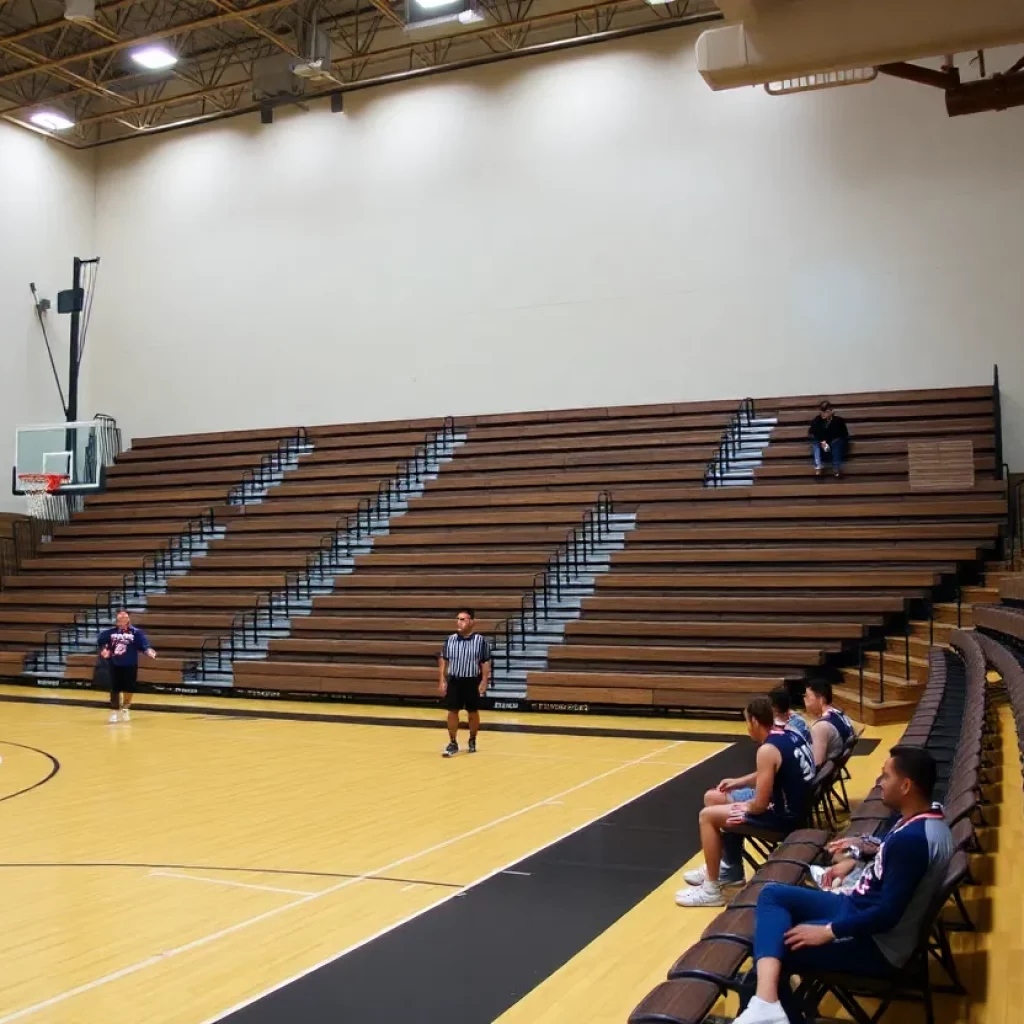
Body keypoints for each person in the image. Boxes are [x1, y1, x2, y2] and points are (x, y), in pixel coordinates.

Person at [732, 746, 953, 1024]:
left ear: (906, 785)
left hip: (877, 945)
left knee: (775, 953)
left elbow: (887, 915)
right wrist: (856, 856)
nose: (879, 782)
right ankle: (767, 1004)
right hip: (857, 906)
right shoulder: (929, 821)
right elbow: (889, 853)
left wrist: (829, 931)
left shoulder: (913, 842)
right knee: (774, 896)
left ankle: (767, 1006)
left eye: (886, 776)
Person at [677, 697, 816, 906]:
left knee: (707, 816)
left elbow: (759, 805)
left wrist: (745, 806)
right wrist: (738, 783)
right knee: (720, 804)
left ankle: (711, 891)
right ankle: (730, 869)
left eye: (746, 722)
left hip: (785, 820)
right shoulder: (788, 734)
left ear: (754, 721)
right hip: (799, 811)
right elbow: (771, 770)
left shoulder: (767, 749)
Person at [439, 608, 491, 758]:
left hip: (471, 680)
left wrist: (484, 680)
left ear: (471, 622)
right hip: (455, 680)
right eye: (458, 619)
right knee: (452, 711)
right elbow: (445, 661)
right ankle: (453, 741)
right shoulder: (450, 640)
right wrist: (442, 679)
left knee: (473, 712)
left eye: (463, 619)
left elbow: (485, 662)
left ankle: (472, 739)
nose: (459, 622)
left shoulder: (480, 640)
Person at [97, 610, 157, 723]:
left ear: (128, 619)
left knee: (129, 687)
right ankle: (114, 711)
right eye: (121, 617)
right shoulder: (109, 633)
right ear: (117, 620)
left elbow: (144, 645)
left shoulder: (136, 633)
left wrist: (149, 651)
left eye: (125, 617)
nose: (123, 619)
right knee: (115, 688)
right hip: (114, 663)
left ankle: (125, 707)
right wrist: (104, 650)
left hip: (130, 663)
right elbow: (101, 642)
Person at [804, 678, 856, 766]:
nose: (804, 700)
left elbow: (816, 765)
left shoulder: (820, 728)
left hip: (823, 774)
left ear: (821, 700)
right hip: (833, 768)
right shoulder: (841, 714)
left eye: (807, 697)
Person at [807, 400, 849, 478]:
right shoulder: (817, 420)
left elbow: (844, 435)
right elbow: (811, 433)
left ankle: (836, 468)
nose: (823, 414)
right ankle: (819, 466)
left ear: (832, 411)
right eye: (822, 412)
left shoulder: (838, 421)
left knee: (838, 442)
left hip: (836, 447)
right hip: (823, 447)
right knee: (815, 443)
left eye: (826, 412)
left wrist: (831, 441)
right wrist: (822, 442)